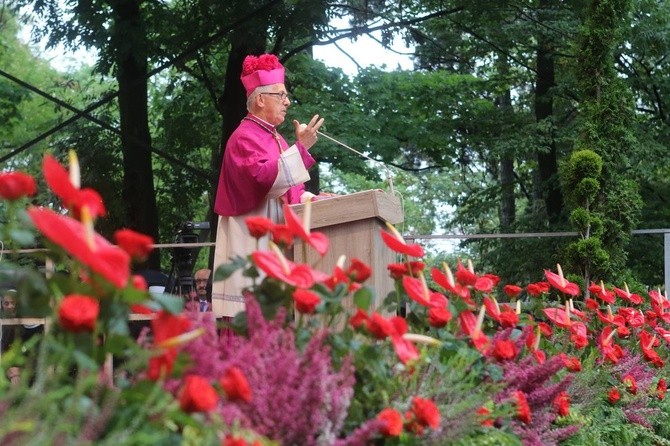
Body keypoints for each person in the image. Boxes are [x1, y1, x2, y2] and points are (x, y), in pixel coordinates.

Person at [212, 53, 324, 317]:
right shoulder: (243, 137)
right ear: (260, 99)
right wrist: (302, 148)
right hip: (251, 238)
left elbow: (290, 194)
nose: (287, 102)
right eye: (280, 95)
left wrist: (317, 200)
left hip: (274, 241)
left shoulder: (277, 139)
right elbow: (266, 180)